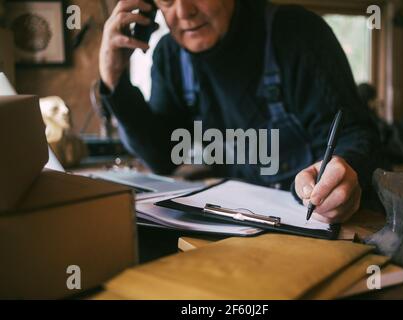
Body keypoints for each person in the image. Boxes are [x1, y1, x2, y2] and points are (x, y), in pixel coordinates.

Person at [99, 0, 380, 224]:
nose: (184, 11)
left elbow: (356, 134)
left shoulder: (298, 32)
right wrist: (115, 80)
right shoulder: (170, 56)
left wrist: (345, 170)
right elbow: (162, 158)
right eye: (167, 0)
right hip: (236, 226)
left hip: (317, 223)